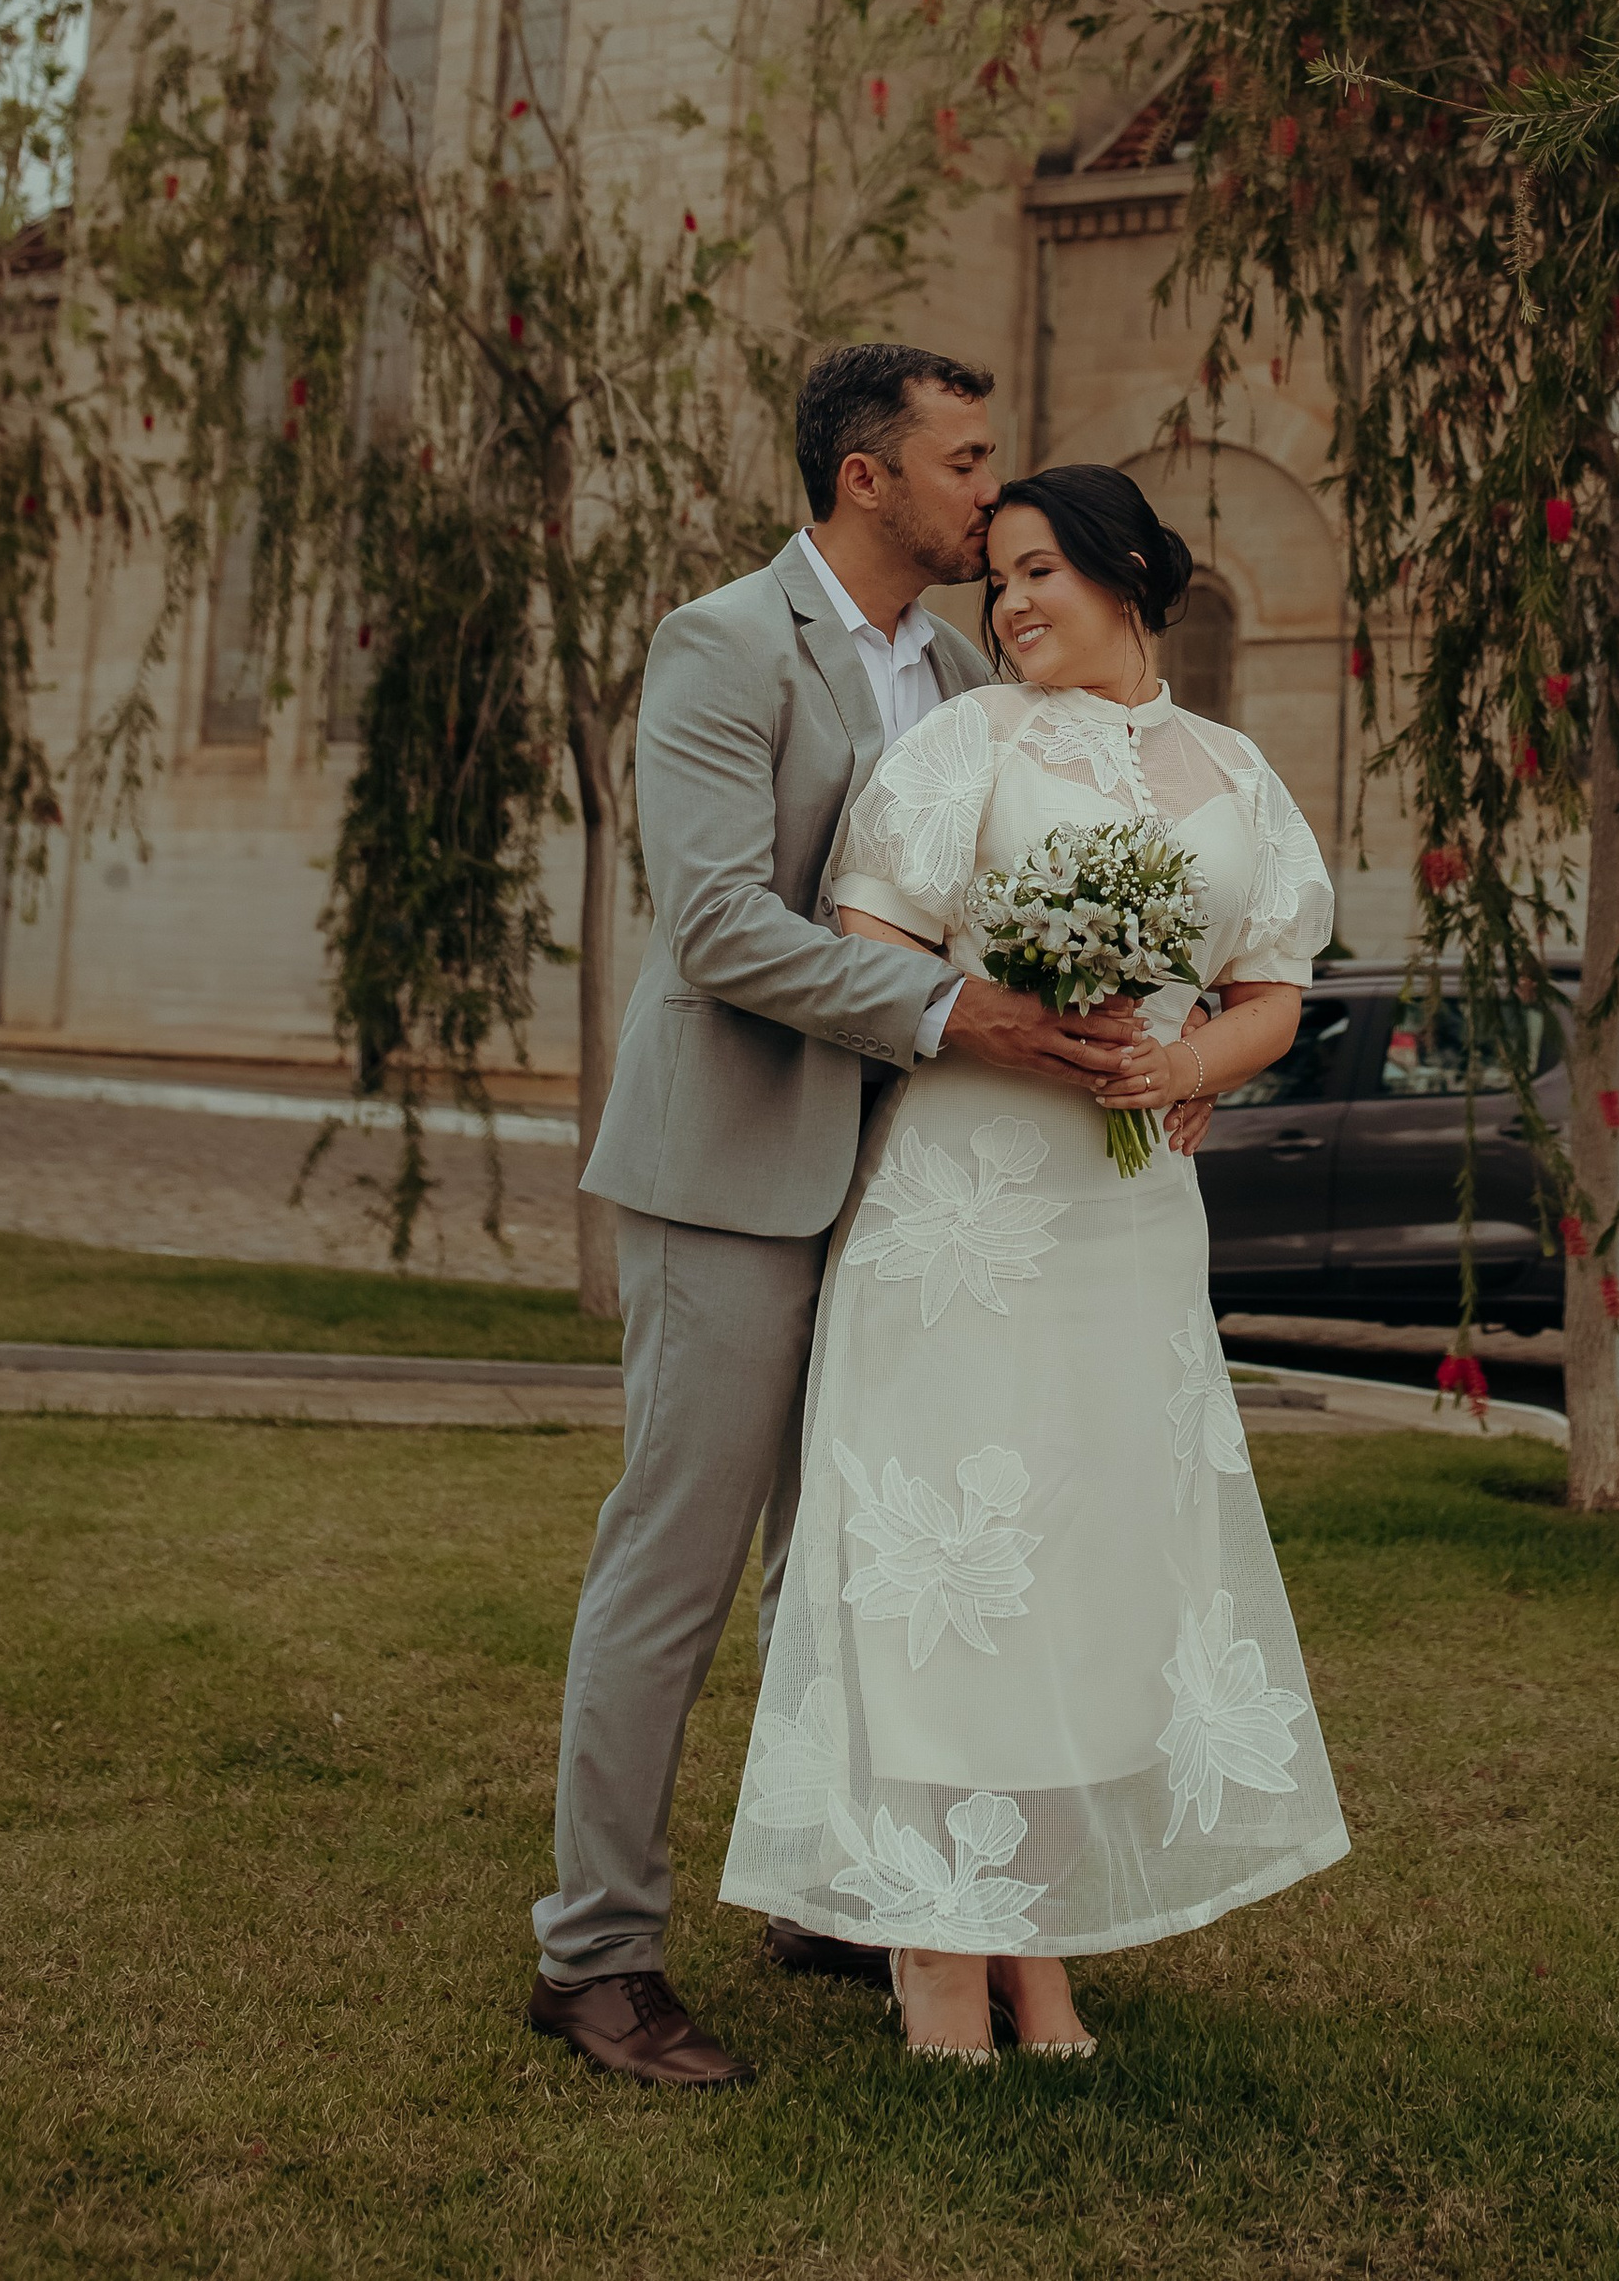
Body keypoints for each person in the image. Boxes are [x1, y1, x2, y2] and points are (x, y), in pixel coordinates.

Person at [527, 347, 1177, 2090]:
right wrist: (963, 1017)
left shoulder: (967, 667)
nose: (994, 490)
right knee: (672, 1573)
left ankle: (840, 1894)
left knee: (859, 1574)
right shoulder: (722, 643)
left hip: (912, 1200)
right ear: (865, 477)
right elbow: (719, 926)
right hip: (732, 1176)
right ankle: (595, 1957)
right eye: (967, 461)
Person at [718, 462, 1349, 2062]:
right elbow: (873, 947)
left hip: (1128, 1231)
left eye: (1039, 571)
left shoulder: (1236, 771)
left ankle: (1040, 1945)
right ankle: (937, 1945)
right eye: (995, 578)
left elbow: (1274, 989)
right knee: (957, 1582)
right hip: (969, 1219)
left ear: (1129, 573)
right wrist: (1025, 1013)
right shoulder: (967, 746)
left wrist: (1191, 1063)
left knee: (1091, 1577)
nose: (1007, 606)